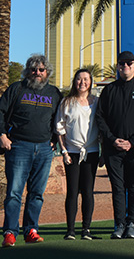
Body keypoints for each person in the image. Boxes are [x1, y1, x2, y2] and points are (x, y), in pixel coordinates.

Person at [0, 54, 62, 248]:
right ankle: (10, 233)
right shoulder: (17, 89)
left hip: (45, 149)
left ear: (47, 72)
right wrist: (2, 135)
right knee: (14, 192)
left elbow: (60, 120)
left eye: (41, 70)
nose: (37, 73)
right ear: (27, 71)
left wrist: (55, 140)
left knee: (37, 193)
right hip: (19, 147)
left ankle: (31, 230)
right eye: (33, 69)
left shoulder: (54, 93)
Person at [95, 51, 134, 240]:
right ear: (118, 66)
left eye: (129, 63)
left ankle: (132, 224)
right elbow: (100, 118)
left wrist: (132, 142)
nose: (125, 66)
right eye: (122, 64)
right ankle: (119, 224)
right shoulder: (109, 90)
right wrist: (113, 139)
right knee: (117, 188)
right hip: (113, 149)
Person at [55, 68, 100, 241]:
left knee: (88, 191)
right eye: (79, 79)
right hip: (71, 153)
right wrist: (64, 151)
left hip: (91, 152)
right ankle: (70, 230)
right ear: (75, 82)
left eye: (86, 79)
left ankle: (86, 229)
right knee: (72, 191)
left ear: (91, 82)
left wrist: (102, 151)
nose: (83, 83)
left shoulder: (96, 102)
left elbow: (101, 126)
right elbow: (60, 128)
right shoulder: (67, 102)